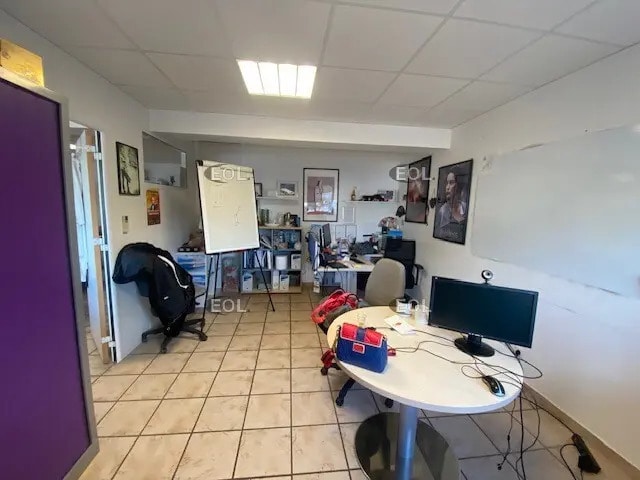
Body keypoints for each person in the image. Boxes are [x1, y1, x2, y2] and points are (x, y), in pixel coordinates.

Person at [435, 166, 468, 241]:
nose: (447, 187)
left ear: (458, 186)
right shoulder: (443, 211)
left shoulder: (465, 208)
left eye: (451, 183)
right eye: (446, 183)